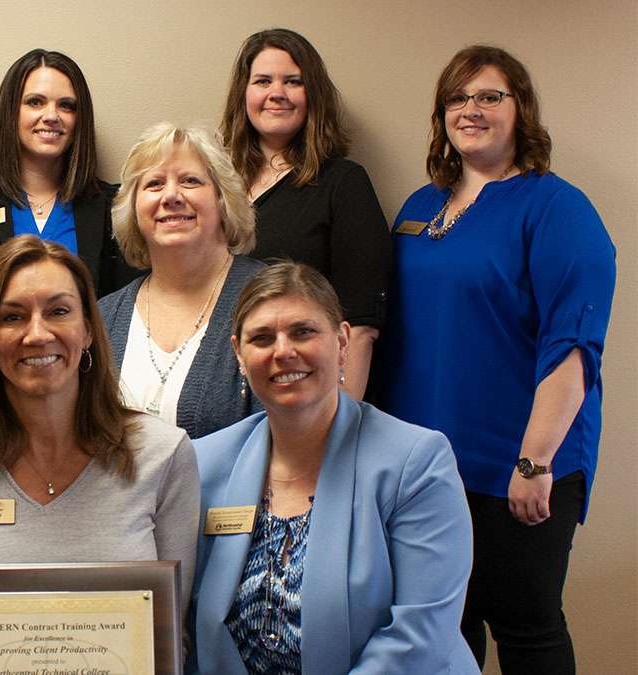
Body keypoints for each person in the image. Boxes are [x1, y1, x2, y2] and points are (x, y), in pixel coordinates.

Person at [379, 46, 616, 674]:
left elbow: (573, 346)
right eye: (458, 98)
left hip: (518, 465)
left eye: (489, 96)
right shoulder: (419, 207)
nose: (471, 110)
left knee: (525, 626)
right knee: (441, 627)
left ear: (521, 111)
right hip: (426, 466)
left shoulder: (556, 207)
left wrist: (535, 461)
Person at [0, 236, 199, 673]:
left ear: (89, 328)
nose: (37, 334)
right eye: (12, 316)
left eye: (58, 311)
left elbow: (170, 640)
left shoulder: (164, 455)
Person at [191, 262, 477, 674]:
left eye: (303, 331)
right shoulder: (206, 464)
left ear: (342, 342)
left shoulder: (415, 462)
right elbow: (184, 621)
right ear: (239, 354)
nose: (283, 350)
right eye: (262, 338)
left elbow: (420, 635)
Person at [221, 28, 391, 400]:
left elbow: (360, 329)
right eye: (263, 81)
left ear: (312, 95)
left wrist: (339, 429)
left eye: (292, 81)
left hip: (305, 394)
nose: (276, 93)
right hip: (220, 390)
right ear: (244, 94)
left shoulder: (343, 183)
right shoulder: (216, 185)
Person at [99, 124, 264, 438]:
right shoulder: (103, 317)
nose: (171, 196)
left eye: (190, 181)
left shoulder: (270, 301)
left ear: (222, 200)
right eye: (154, 184)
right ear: (134, 209)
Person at [0, 48, 140, 296]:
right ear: (11, 112)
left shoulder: (115, 209)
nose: (51, 116)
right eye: (35, 102)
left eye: (66, 106)